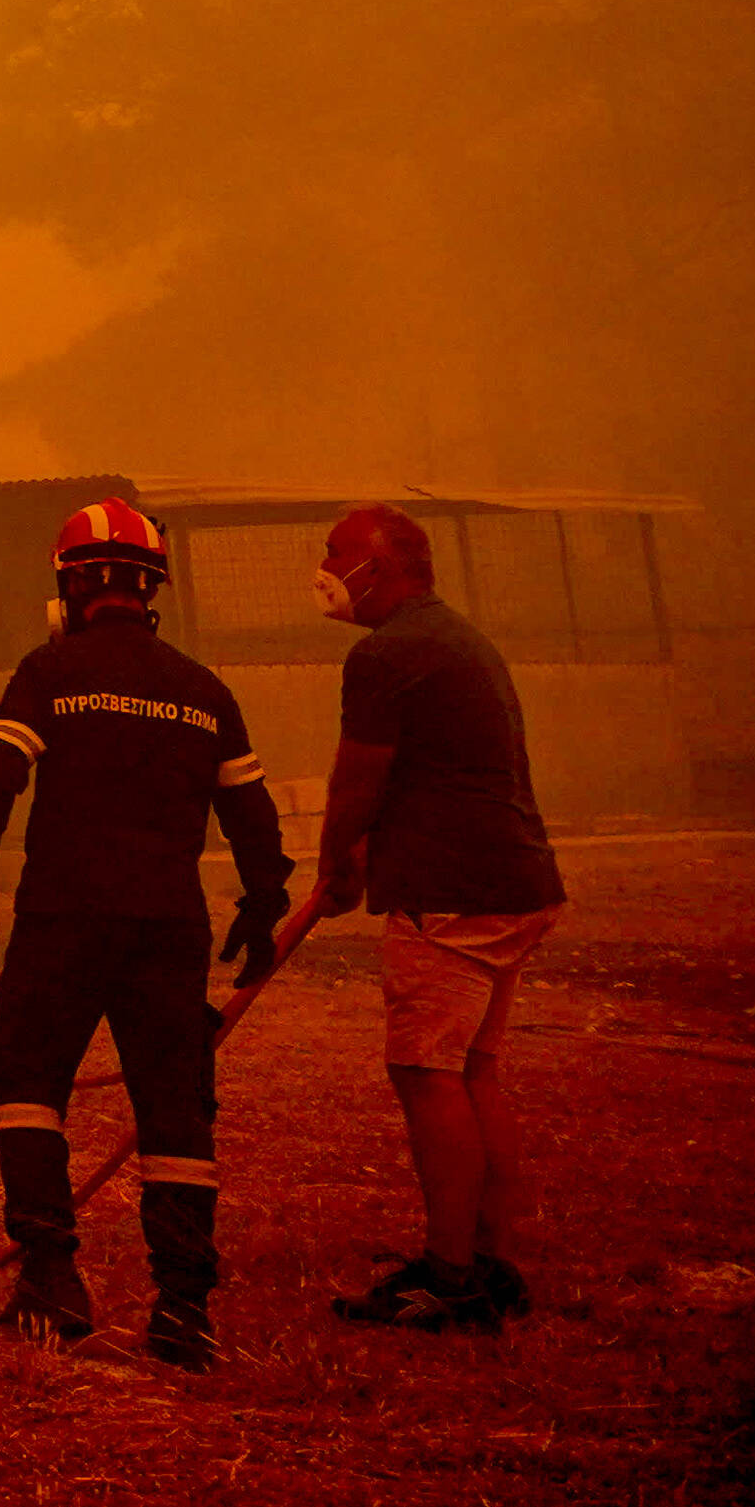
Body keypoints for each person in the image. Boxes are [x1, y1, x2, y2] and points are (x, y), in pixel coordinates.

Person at [0, 498, 292, 1368]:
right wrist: (262, 904)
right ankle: (182, 1310)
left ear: (69, 584)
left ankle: (52, 1281)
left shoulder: (48, 671)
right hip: (170, 928)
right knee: (175, 1113)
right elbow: (252, 815)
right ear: (153, 590)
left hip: (62, 915)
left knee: (28, 1083)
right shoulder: (203, 689)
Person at [308, 499, 566, 1335]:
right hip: (515, 880)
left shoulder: (389, 653)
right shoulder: (455, 636)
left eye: (334, 552)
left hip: (451, 892)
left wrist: (334, 864)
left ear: (376, 569)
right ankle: (489, 1263)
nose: (322, 565)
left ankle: (451, 1275)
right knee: (472, 1071)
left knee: (427, 1072)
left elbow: (358, 780)